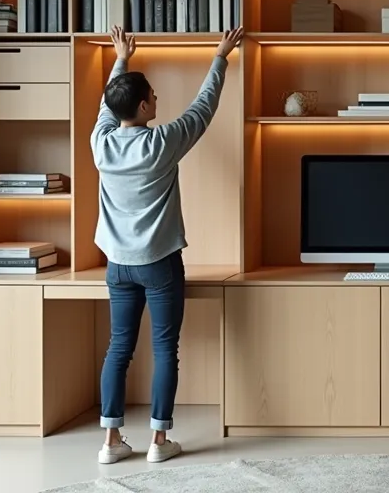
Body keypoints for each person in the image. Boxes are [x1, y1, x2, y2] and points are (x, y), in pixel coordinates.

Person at [93, 25, 243, 464]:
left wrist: (120, 59)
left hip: (117, 264)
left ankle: (110, 442)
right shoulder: (160, 143)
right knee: (164, 350)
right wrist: (220, 57)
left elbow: (107, 103)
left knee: (118, 348)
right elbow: (202, 109)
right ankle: (159, 443)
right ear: (143, 106)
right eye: (153, 96)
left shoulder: (100, 143)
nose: (157, 100)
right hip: (159, 264)